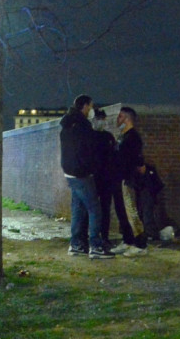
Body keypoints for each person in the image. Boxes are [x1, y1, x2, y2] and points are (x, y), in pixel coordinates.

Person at [60, 95, 114, 259]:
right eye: (90, 106)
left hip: (70, 172)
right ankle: (96, 245)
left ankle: (76, 244)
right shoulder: (82, 126)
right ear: (84, 106)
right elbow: (87, 150)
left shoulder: (67, 124)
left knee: (78, 207)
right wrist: (91, 167)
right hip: (82, 173)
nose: (91, 110)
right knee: (94, 209)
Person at [92, 109, 135, 250]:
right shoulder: (99, 137)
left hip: (107, 179)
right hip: (100, 178)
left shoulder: (109, 137)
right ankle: (98, 237)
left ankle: (103, 237)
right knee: (98, 209)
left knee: (105, 209)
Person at [115, 107, 149, 256]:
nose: (118, 120)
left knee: (132, 211)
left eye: (121, 117)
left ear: (127, 119)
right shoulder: (123, 136)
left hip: (129, 179)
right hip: (121, 178)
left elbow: (136, 158)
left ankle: (140, 244)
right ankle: (128, 240)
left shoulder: (133, 137)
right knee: (123, 211)